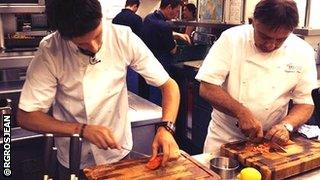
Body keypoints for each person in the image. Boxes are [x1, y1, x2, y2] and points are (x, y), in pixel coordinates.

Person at [16, 0, 181, 179]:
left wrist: (166, 128)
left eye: (98, 36)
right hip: (73, 157)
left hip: (118, 153)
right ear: (64, 36)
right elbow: (26, 116)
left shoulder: (123, 38)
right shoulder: (51, 50)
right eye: (83, 45)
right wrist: (81, 129)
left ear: (100, 17)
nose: (94, 47)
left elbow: (169, 86)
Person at [195, 0, 317, 155]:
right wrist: (241, 112)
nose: (271, 45)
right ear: (253, 22)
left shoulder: (302, 51)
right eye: (264, 36)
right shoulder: (232, 39)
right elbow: (207, 87)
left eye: (280, 39)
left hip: (270, 144)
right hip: (225, 138)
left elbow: (305, 103)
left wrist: (286, 126)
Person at [142, 0, 190, 105]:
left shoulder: (149, 18)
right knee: (160, 100)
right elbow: (173, 50)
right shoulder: (164, 26)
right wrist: (175, 42)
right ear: (169, 8)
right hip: (161, 66)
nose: (177, 14)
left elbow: (158, 32)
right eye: (177, 11)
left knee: (147, 100)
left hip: (146, 66)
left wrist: (177, 35)